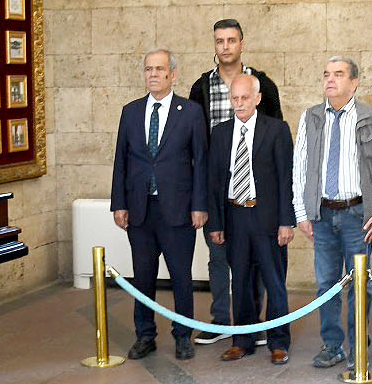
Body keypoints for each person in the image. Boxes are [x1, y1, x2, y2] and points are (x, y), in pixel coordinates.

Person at [292, 57, 372, 368]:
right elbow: (299, 168)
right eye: (326, 74)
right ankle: (332, 344)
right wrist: (301, 212)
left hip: (357, 215)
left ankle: (358, 347)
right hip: (322, 214)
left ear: (354, 83)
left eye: (338, 75)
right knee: (326, 283)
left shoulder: (370, 118)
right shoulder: (309, 117)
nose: (330, 80)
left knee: (359, 283)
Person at [188, 18, 283, 345]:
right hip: (220, 188)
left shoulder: (264, 85)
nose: (225, 46)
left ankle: (252, 325)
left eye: (231, 40)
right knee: (219, 257)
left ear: (242, 44)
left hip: (257, 192)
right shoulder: (201, 88)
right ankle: (220, 321)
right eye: (219, 41)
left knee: (256, 262)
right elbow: (195, 144)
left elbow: (277, 136)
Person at [111, 49, 209, 362]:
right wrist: (119, 203)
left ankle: (183, 335)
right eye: (148, 69)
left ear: (173, 74)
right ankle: (145, 335)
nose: (153, 74)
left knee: (181, 276)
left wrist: (199, 204)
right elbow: (121, 161)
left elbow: (201, 162)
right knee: (143, 276)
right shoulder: (130, 111)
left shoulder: (190, 112)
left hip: (178, 210)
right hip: (140, 210)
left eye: (160, 69)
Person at [205, 74, 294, 365]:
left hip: (267, 218)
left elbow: (285, 179)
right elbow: (214, 182)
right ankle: (242, 340)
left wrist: (286, 222)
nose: (239, 103)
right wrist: (215, 224)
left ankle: (278, 342)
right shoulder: (220, 133)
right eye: (235, 98)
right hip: (235, 216)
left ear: (257, 98)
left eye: (245, 98)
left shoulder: (276, 130)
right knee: (240, 281)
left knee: (274, 281)